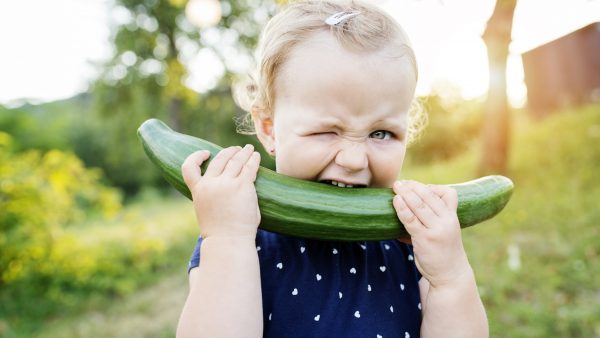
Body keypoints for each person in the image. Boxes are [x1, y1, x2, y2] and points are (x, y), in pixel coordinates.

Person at [176, 0, 488, 337]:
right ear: (268, 128)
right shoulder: (240, 234)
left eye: (381, 133)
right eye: (326, 131)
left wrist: (450, 278)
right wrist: (226, 240)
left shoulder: (410, 247)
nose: (354, 160)